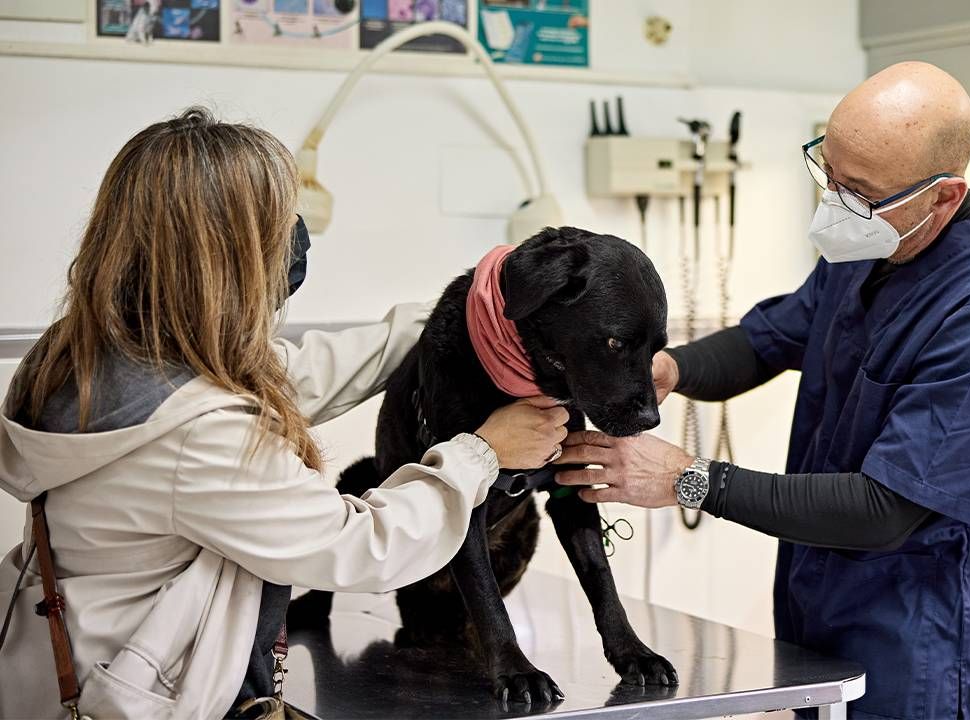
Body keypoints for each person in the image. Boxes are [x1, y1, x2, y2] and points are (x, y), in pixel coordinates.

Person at [0, 107, 569, 719]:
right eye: (277, 223)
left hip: (71, 670)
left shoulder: (88, 355)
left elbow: (296, 372)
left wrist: (472, 309)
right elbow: (362, 546)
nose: (295, 237)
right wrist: (482, 453)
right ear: (225, 255)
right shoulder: (199, 439)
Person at [556, 62, 970, 719]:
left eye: (858, 190)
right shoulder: (877, 244)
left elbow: (884, 509)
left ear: (943, 197)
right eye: (828, 171)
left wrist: (688, 479)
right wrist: (662, 367)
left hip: (925, 642)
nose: (835, 201)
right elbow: (766, 341)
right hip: (822, 612)